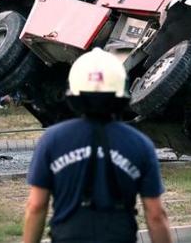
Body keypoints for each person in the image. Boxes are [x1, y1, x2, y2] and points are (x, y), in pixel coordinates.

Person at [23, 48, 172, 243]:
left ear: (74, 92)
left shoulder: (52, 140)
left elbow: (36, 206)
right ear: (121, 92)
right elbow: (155, 214)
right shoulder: (140, 144)